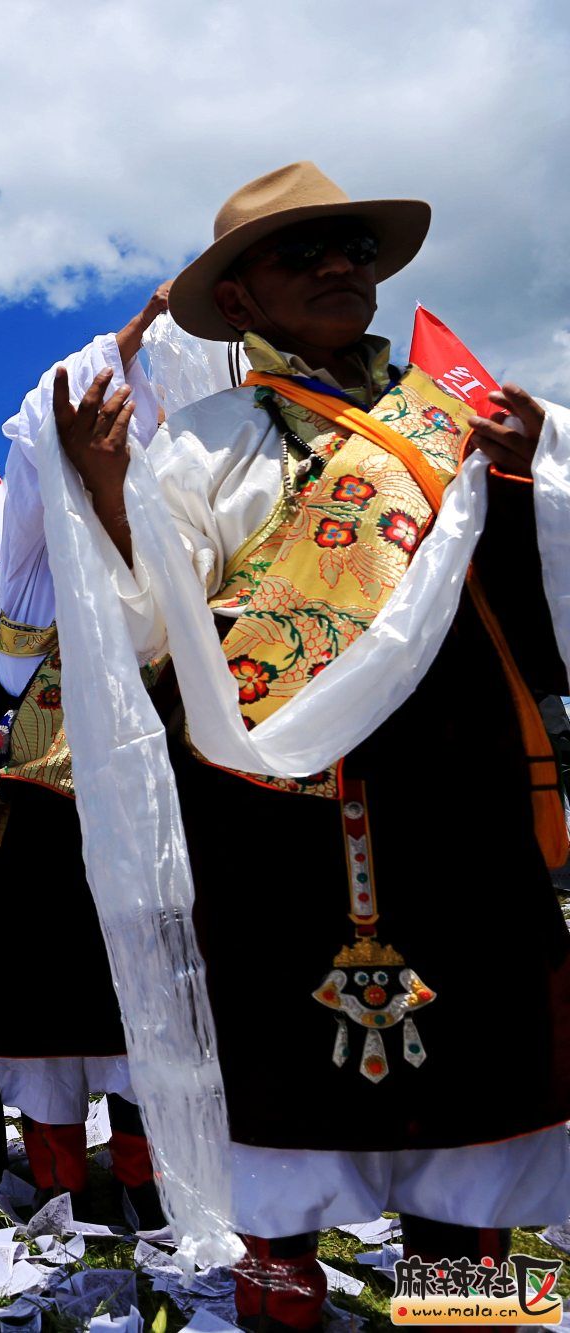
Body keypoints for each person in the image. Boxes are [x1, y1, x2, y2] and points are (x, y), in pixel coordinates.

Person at [54, 161, 570, 1329]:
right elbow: (146, 632)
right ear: (236, 304)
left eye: (353, 251)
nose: (340, 268)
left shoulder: (463, 423)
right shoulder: (193, 448)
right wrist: (100, 490)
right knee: (281, 1086)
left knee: (479, 1091)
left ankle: (471, 1315)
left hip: (457, 798)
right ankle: (280, 1306)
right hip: (267, 820)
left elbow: (539, 617)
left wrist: (537, 477)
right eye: (302, 254)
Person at [0, 287, 174, 1223]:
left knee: (135, 992)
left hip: (135, 796)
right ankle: (62, 1180)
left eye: (127, 426)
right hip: (33, 819)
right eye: (102, 426)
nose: (114, 441)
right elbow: (49, 437)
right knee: (44, 996)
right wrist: (121, 344)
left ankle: (151, 1180)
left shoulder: (161, 539)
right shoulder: (29, 573)